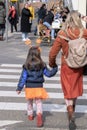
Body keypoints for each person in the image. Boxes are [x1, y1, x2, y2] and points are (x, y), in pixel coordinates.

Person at [49, 10, 87, 130]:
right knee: (74, 90)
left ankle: (70, 115)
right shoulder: (84, 32)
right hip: (79, 66)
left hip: (67, 65)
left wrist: (52, 64)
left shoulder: (62, 33)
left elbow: (52, 53)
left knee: (67, 92)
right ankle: (73, 110)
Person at [16, 46, 58, 127]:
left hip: (29, 87)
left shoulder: (26, 65)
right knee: (38, 102)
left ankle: (30, 115)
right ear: (39, 55)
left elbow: (23, 77)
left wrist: (19, 88)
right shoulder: (42, 65)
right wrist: (55, 69)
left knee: (29, 102)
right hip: (39, 87)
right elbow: (48, 74)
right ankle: (39, 116)